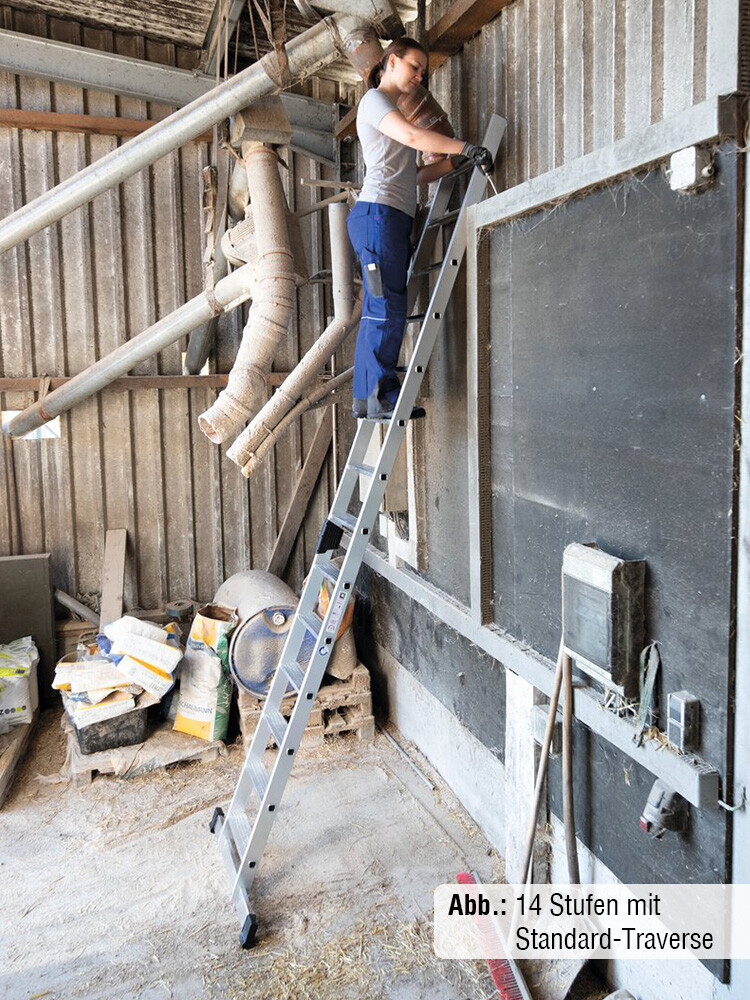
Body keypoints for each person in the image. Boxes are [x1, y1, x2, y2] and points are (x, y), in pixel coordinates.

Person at [347, 37, 493, 420]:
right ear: (391, 61)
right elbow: (413, 138)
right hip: (379, 215)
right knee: (386, 306)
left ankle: (366, 398)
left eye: (423, 71)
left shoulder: (390, 109)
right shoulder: (376, 101)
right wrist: (465, 147)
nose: (420, 76)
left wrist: (449, 167)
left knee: (381, 307)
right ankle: (380, 397)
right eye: (414, 67)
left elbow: (408, 176)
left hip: (388, 215)